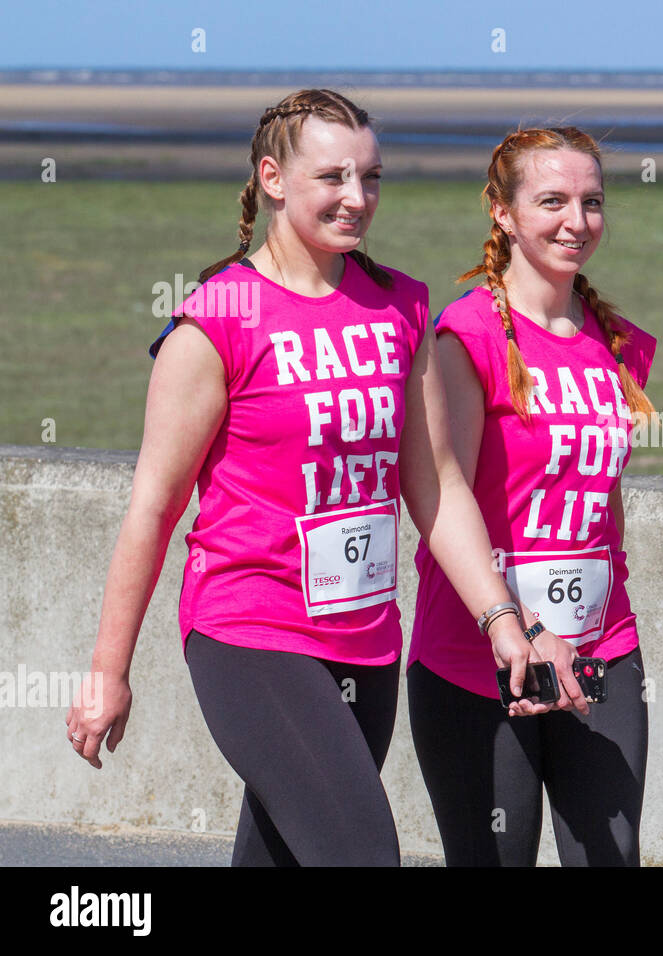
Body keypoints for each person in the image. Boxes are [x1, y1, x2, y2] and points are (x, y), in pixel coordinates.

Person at [63, 89, 538, 866]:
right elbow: (152, 508)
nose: (358, 199)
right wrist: (107, 674)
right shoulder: (217, 320)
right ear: (274, 178)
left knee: (281, 855)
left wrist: (500, 615)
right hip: (249, 631)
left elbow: (437, 485)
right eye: (334, 179)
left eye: (372, 178)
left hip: (363, 638)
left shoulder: (399, 309)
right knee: (360, 851)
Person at [407, 126, 657, 866]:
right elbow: (447, 498)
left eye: (591, 202)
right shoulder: (465, 336)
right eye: (551, 201)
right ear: (503, 212)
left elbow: (597, 500)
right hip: (477, 658)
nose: (574, 222)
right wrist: (520, 621)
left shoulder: (623, 345)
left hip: (602, 653)